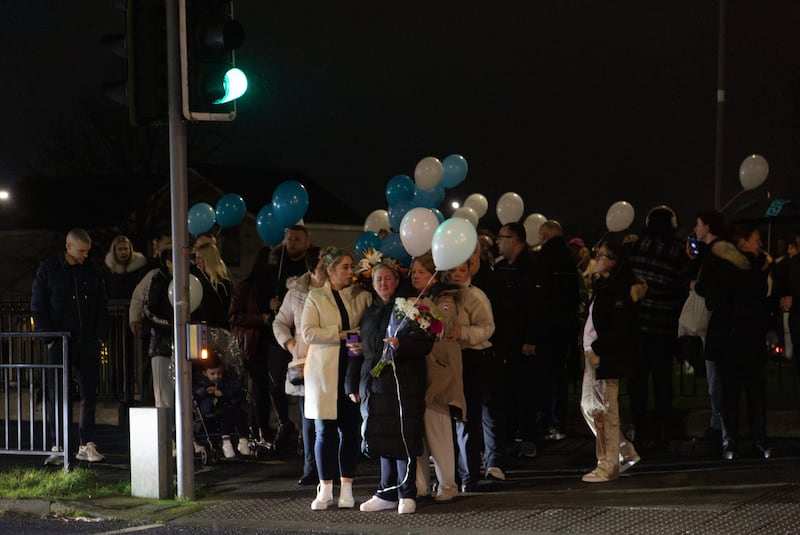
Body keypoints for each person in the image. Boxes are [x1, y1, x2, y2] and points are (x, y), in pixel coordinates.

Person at [354, 262, 437, 515]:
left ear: (397, 280)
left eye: (388, 278)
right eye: (378, 279)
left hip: (405, 380)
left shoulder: (410, 306)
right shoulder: (369, 312)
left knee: (404, 435)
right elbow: (361, 352)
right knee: (382, 435)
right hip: (375, 384)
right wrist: (352, 382)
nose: (383, 284)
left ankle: (406, 491)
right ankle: (386, 490)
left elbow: (426, 342)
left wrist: (402, 344)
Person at [695, 223, 775, 460]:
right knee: (732, 393)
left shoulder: (759, 267)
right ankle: (732, 441)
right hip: (732, 338)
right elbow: (712, 294)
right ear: (742, 242)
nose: (760, 244)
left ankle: (756, 440)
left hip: (749, 337)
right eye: (755, 239)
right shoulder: (725, 266)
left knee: (754, 393)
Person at [301, 247, 372, 511]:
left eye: (351, 266)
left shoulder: (361, 296)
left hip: (350, 370)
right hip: (324, 370)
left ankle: (348, 488)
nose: (350, 271)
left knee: (350, 430)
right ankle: (325, 488)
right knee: (325, 431)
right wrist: (341, 334)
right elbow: (308, 333)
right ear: (330, 271)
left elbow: (364, 328)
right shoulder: (316, 296)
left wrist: (355, 340)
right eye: (344, 267)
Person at [32, 228, 110, 465]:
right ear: (68, 247)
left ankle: (85, 444)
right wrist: (50, 337)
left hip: (86, 340)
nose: (84, 256)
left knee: (89, 394)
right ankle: (59, 445)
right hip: (61, 341)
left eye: (87, 251)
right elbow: (38, 304)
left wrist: (98, 335)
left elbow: (101, 305)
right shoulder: (48, 269)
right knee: (58, 395)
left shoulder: (91, 271)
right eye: (80, 251)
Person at [581, 241, 646, 482]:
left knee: (604, 410)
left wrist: (597, 350)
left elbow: (619, 328)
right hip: (593, 353)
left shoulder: (619, 289)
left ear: (614, 261)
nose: (596, 258)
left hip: (604, 356)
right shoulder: (604, 286)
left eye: (602, 256)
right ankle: (624, 451)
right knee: (588, 405)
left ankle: (608, 464)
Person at [626, 205, 690, 442]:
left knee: (637, 379)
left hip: (638, 325)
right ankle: (665, 425)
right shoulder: (676, 251)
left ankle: (637, 423)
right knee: (663, 379)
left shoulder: (636, 247)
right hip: (663, 325)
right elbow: (683, 286)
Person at [410, 252, 465, 503]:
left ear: (433, 275)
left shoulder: (445, 297)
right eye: (414, 272)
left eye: (422, 272)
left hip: (438, 373)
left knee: (438, 432)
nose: (416, 277)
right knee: (417, 433)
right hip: (417, 372)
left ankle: (447, 484)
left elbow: (442, 323)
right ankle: (421, 484)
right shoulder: (413, 297)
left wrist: (420, 308)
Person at [272, 246, 325, 486]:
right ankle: (310, 467)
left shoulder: (338, 290)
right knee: (308, 418)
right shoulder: (296, 292)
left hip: (330, 360)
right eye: (323, 266)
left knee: (329, 418)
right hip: (304, 360)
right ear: (311, 268)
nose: (327, 271)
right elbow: (280, 321)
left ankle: (330, 466)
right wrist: (290, 343)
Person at [445, 260, 496, 493]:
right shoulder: (441, 294)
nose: (456, 274)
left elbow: (487, 327)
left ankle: (469, 474)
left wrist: (462, 333)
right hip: (447, 360)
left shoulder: (476, 296)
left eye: (461, 270)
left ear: (470, 271)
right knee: (447, 419)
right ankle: (449, 473)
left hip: (472, 359)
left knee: (468, 418)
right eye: (453, 269)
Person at [531, 220, 581, 441]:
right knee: (560, 377)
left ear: (543, 236)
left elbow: (539, 299)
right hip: (565, 325)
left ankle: (546, 422)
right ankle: (559, 422)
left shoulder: (543, 260)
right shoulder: (570, 258)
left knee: (544, 377)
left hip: (546, 326)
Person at [264, 225, 313, 451]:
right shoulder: (273, 262)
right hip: (287, 340)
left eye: (296, 239)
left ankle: (308, 440)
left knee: (308, 395)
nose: (291, 243)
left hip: (314, 347)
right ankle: (285, 423)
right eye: (289, 239)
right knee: (277, 384)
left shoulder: (312, 266)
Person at [492, 222, 538, 458]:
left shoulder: (530, 268)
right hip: (504, 339)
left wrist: (530, 338)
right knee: (506, 390)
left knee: (525, 390)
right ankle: (508, 436)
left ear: (515, 240)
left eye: (502, 237)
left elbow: (535, 306)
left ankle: (529, 437)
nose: (497, 241)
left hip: (523, 341)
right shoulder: (500, 268)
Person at [229, 246, 276, 448]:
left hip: (272, 342)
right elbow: (234, 316)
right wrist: (261, 318)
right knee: (257, 389)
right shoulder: (245, 287)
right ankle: (258, 429)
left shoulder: (276, 284)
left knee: (267, 388)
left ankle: (265, 428)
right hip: (253, 342)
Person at [688, 211, 727, 436]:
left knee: (717, 376)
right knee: (716, 375)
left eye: (698, 224)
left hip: (718, 321)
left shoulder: (716, 253)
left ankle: (719, 423)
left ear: (708, 227)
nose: (695, 229)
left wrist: (696, 286)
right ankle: (718, 420)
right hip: (717, 321)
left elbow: (712, 287)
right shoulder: (712, 252)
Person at [192, 355, 251, 459]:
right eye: (213, 374)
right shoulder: (201, 382)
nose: (216, 376)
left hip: (227, 406)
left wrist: (223, 393)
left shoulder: (227, 379)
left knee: (238, 411)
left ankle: (243, 440)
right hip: (210, 408)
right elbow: (196, 393)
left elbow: (235, 389)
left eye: (219, 373)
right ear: (205, 373)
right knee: (225, 412)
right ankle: (226, 442)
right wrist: (205, 391)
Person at [192, 242, 233, 329]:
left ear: (208, 259)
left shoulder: (223, 283)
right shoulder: (200, 279)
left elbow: (221, 309)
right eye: (196, 258)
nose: (197, 262)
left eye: (199, 258)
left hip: (218, 328)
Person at [102, 235, 148, 300]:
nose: (123, 252)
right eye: (120, 249)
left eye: (126, 249)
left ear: (130, 249)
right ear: (114, 251)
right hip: (113, 307)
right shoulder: (107, 270)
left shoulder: (140, 269)